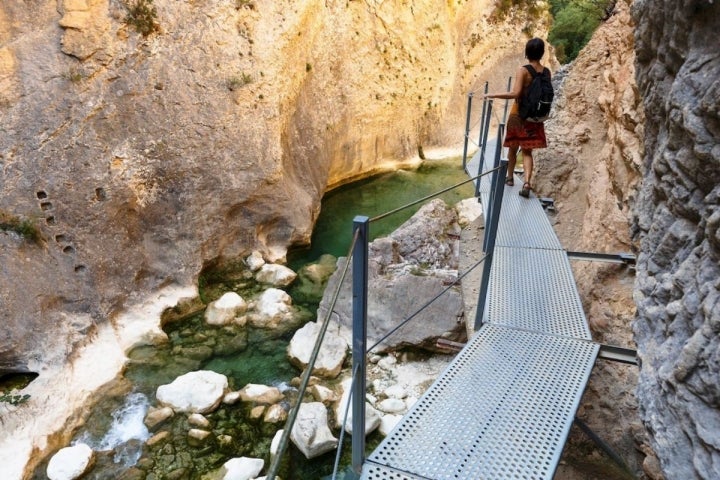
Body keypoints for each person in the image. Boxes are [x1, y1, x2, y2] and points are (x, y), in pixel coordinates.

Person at [484, 37, 549, 198]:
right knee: (527, 152)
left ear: (527, 52)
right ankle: (527, 182)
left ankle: (510, 178)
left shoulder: (523, 70)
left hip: (518, 115)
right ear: (542, 53)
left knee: (512, 148)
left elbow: (515, 93)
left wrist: (492, 94)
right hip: (535, 117)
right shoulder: (546, 71)